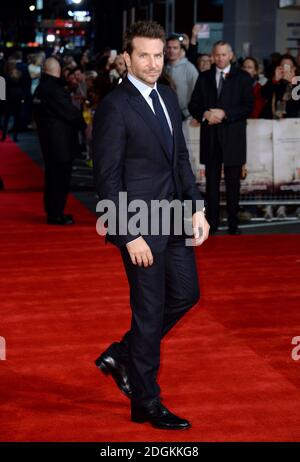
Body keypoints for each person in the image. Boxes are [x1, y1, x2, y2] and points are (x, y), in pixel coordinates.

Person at [92, 21, 209, 430]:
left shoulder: (168, 96)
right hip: (139, 223)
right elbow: (106, 180)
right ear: (127, 58)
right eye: (144, 55)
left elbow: (179, 160)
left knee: (187, 294)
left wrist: (196, 208)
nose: (153, 62)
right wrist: (129, 235)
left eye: (159, 55)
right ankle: (145, 399)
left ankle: (124, 354)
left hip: (174, 216)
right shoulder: (115, 106)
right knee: (148, 312)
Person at [189, 41, 253, 235]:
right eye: (217, 55)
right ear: (212, 56)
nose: (220, 58)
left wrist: (225, 113)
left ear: (231, 55)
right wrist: (205, 114)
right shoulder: (204, 77)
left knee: (234, 183)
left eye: (224, 54)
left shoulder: (243, 78)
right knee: (212, 185)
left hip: (233, 138)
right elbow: (194, 105)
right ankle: (212, 223)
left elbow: (247, 106)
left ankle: (233, 224)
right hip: (211, 138)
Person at [33, 58, 86, 225]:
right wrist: (83, 124)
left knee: (52, 178)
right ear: (57, 70)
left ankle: (53, 211)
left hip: (48, 140)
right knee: (59, 180)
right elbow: (69, 113)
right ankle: (56, 214)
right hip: (60, 143)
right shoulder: (54, 90)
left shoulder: (40, 89)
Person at [165, 35, 199, 120]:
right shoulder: (162, 67)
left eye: (175, 48)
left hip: (187, 116)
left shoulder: (189, 68)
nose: (171, 51)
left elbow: (197, 92)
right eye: (169, 47)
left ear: (181, 50)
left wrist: (193, 114)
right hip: (166, 114)